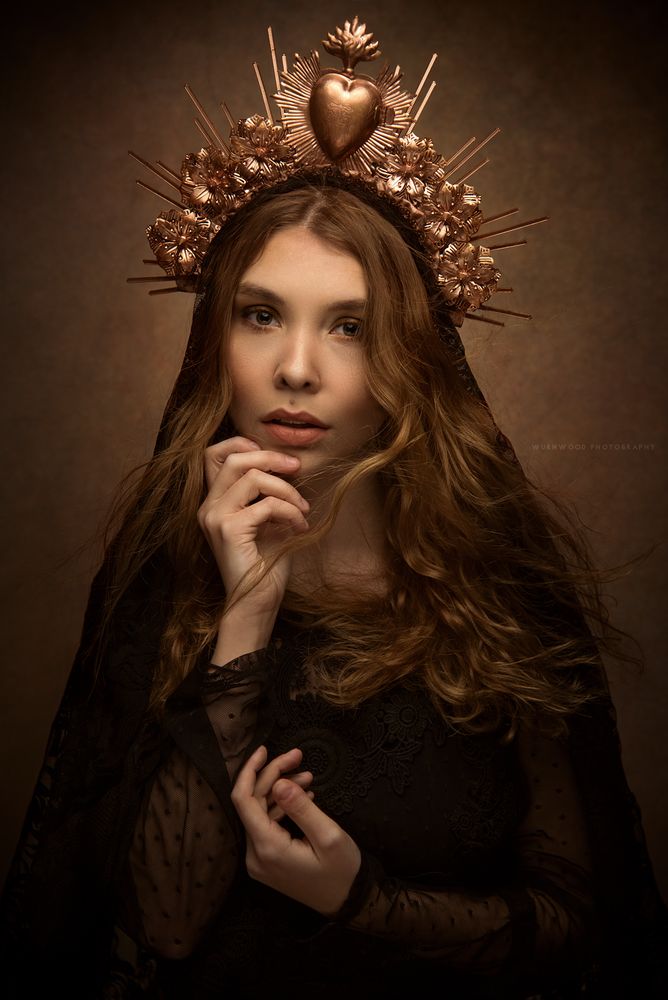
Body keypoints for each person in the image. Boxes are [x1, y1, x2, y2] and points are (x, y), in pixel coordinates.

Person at [1, 17, 666, 1000]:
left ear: (408, 351)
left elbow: (581, 926)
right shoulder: (161, 569)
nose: (296, 368)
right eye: (260, 313)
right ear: (211, 338)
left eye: (348, 326)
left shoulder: (498, 578)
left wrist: (360, 898)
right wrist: (245, 609)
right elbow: (160, 928)